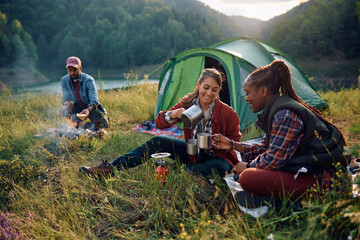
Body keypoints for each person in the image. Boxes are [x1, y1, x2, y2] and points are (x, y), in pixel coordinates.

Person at [213, 60, 349, 208]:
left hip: (323, 183)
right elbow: (267, 147)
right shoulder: (277, 108)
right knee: (250, 171)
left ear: (263, 91)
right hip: (305, 172)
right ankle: (273, 198)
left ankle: (278, 203)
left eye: (247, 93)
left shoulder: (285, 115)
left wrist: (248, 165)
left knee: (247, 177)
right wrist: (233, 145)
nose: (245, 98)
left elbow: (273, 159)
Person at [80, 68, 241, 178]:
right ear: (199, 85)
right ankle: (111, 168)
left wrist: (224, 143)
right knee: (157, 141)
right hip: (191, 153)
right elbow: (159, 123)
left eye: (214, 89)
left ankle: (183, 170)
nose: (209, 93)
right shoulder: (188, 104)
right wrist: (174, 114)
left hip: (216, 157)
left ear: (218, 90)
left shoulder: (228, 114)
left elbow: (236, 143)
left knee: (220, 168)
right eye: (206, 87)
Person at [60, 56, 109, 130]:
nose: (72, 73)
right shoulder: (64, 80)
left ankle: (90, 125)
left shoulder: (89, 80)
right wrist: (66, 105)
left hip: (90, 108)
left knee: (104, 124)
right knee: (74, 127)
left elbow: (94, 100)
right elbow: (66, 97)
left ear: (80, 68)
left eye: (75, 70)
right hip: (76, 110)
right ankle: (78, 124)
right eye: (70, 70)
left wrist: (88, 110)